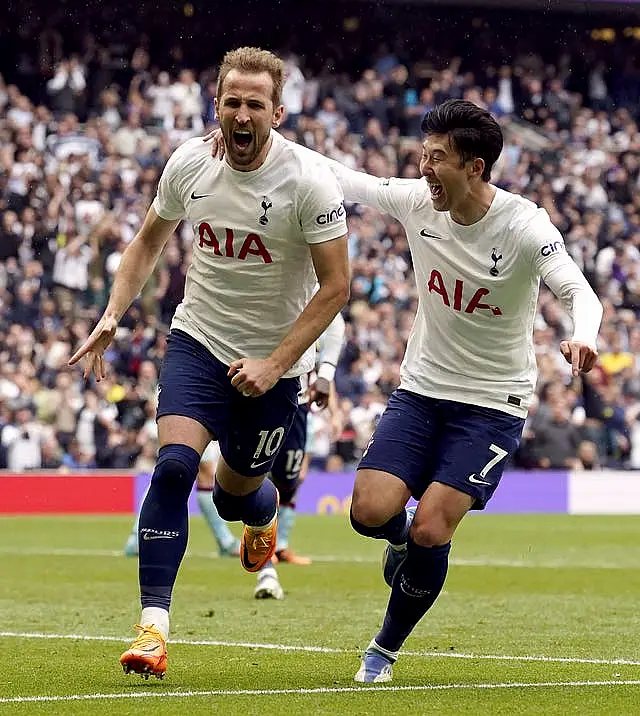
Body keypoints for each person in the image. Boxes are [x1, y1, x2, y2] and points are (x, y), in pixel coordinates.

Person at [209, 98, 603, 682]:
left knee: (431, 528)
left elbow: (577, 290)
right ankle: (404, 547)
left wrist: (582, 335)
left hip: (493, 404)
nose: (424, 166)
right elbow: (346, 178)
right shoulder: (420, 201)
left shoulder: (524, 225)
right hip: (421, 391)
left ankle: (383, 650)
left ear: (475, 166)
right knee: (368, 513)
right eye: (423, 153)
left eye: (437, 157)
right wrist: (263, 139)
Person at [69, 46, 349, 680]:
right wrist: (112, 314)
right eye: (232, 102)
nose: (242, 113)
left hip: (271, 365)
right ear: (215, 106)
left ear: (277, 112)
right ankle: (152, 629)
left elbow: (336, 289)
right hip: (198, 341)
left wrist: (278, 363)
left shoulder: (309, 181)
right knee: (173, 467)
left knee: (234, 499)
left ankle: (264, 511)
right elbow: (146, 242)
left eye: (256, 104)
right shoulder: (189, 163)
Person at [255, 309, 346, 600]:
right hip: (262, 395)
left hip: (300, 406)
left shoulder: (317, 286)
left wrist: (327, 378)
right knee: (255, 480)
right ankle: (265, 564)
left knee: (289, 482)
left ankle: (279, 547)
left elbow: (335, 322)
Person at [123, 440, 241, 559]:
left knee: (193, 472)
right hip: (188, 424)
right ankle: (226, 542)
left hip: (199, 424)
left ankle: (137, 539)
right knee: (173, 469)